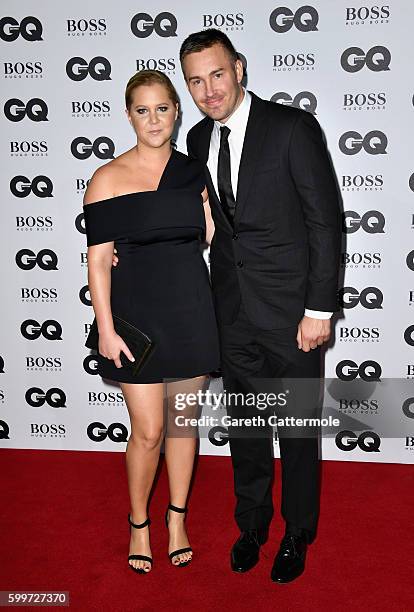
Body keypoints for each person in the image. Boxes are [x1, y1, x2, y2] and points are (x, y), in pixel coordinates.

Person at [179, 29, 342, 583]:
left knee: (296, 430)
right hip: (233, 314)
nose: (208, 90)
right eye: (196, 81)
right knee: (246, 428)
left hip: (293, 316)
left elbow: (325, 222)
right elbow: (209, 227)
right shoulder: (198, 141)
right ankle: (251, 524)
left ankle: (298, 532)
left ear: (240, 69)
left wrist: (319, 309)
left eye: (217, 74)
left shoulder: (292, 128)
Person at [83, 69, 220, 574]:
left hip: (190, 309)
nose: (154, 119)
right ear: (129, 115)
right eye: (143, 110)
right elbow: (98, 262)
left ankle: (176, 519)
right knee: (147, 430)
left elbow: (207, 236)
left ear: (176, 111)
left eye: (163, 108)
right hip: (136, 316)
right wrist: (106, 328)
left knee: (183, 426)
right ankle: (138, 522)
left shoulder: (194, 173)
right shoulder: (106, 179)